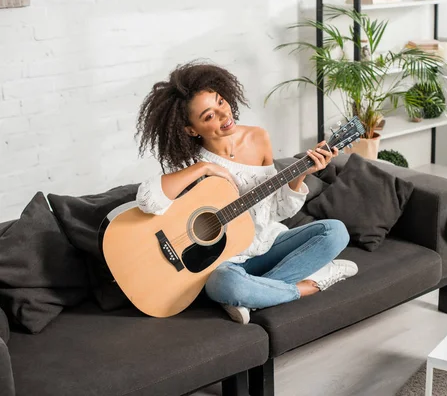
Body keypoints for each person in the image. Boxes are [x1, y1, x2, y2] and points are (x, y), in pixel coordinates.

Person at [134, 61, 358, 324]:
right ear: (190, 130)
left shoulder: (258, 138)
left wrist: (302, 173)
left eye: (220, 102)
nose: (223, 114)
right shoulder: (191, 163)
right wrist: (204, 167)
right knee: (224, 284)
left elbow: (278, 210)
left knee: (335, 233)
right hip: (225, 264)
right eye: (208, 116)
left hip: (268, 245)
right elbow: (147, 199)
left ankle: (253, 295)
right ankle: (300, 287)